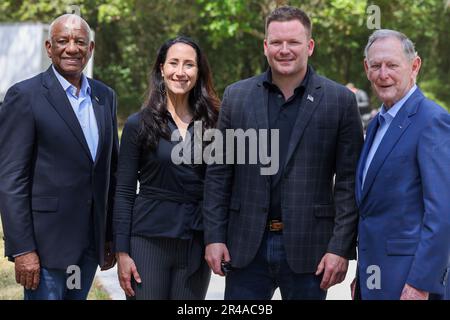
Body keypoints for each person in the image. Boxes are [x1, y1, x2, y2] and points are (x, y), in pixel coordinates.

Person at [203, 6, 364, 300]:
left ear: (310, 46)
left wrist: (340, 247)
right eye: (276, 42)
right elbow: (218, 174)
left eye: (294, 42)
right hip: (245, 247)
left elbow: (348, 183)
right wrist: (213, 237)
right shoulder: (236, 96)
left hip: (311, 251)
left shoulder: (340, 101)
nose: (284, 50)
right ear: (266, 46)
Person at [0, 14, 118, 300]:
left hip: (89, 246)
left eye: (80, 41)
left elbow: (109, 171)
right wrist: (23, 248)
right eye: (63, 41)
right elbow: (11, 179)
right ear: (49, 47)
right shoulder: (25, 96)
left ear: (90, 49)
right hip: (45, 249)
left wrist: (109, 234)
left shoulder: (105, 97)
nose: (71, 48)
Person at [113, 36, 220, 300]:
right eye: (173, 63)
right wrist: (122, 252)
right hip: (148, 239)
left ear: (199, 71)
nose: (180, 72)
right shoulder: (139, 124)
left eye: (189, 65)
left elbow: (221, 185)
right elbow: (124, 191)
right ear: (162, 68)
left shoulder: (215, 123)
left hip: (196, 240)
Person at [354, 29, 450, 300]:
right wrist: (362, 276)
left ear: (414, 66)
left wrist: (422, 283)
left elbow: (442, 213)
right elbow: (372, 211)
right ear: (366, 68)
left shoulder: (432, 121)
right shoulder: (376, 125)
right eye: (376, 66)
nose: (383, 74)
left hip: (409, 284)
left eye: (392, 65)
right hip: (375, 279)